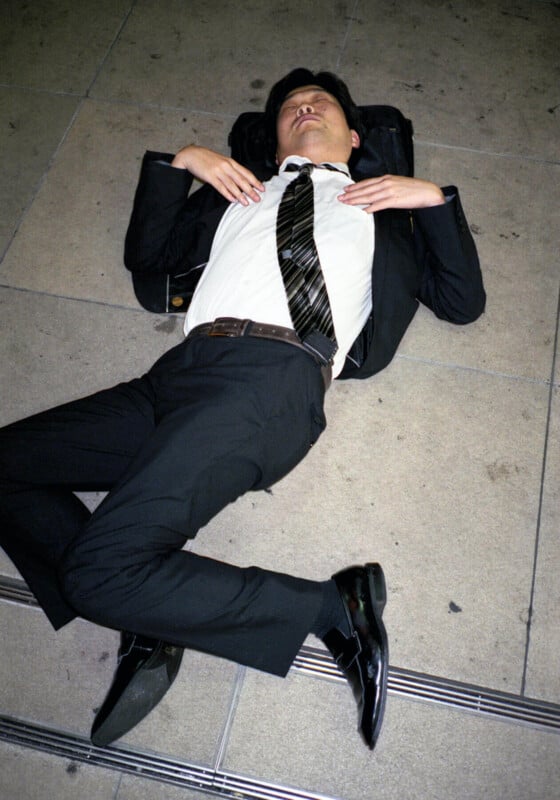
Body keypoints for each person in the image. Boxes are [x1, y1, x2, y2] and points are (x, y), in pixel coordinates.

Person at [0, 68, 485, 752]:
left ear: (353, 135)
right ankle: (145, 609)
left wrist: (434, 200)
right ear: (275, 133)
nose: (305, 108)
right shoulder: (240, 192)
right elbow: (149, 262)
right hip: (176, 377)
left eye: (320, 105)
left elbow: (463, 303)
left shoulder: (386, 208)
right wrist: (183, 166)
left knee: (95, 574)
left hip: (271, 381)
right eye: (290, 107)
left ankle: (331, 608)